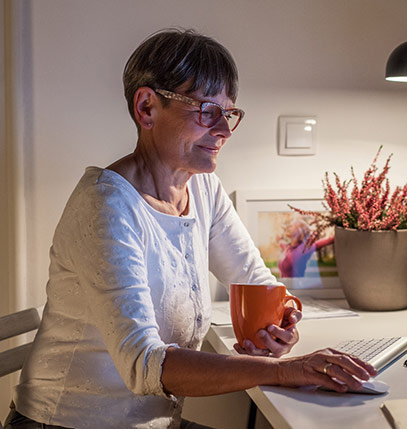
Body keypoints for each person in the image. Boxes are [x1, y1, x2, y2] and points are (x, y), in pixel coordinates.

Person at [5, 29, 376, 429]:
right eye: (206, 111)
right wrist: (287, 370)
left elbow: (257, 282)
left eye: (229, 113)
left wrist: (284, 318)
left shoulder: (201, 188)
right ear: (147, 107)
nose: (224, 131)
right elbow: (144, 364)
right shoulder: (106, 206)